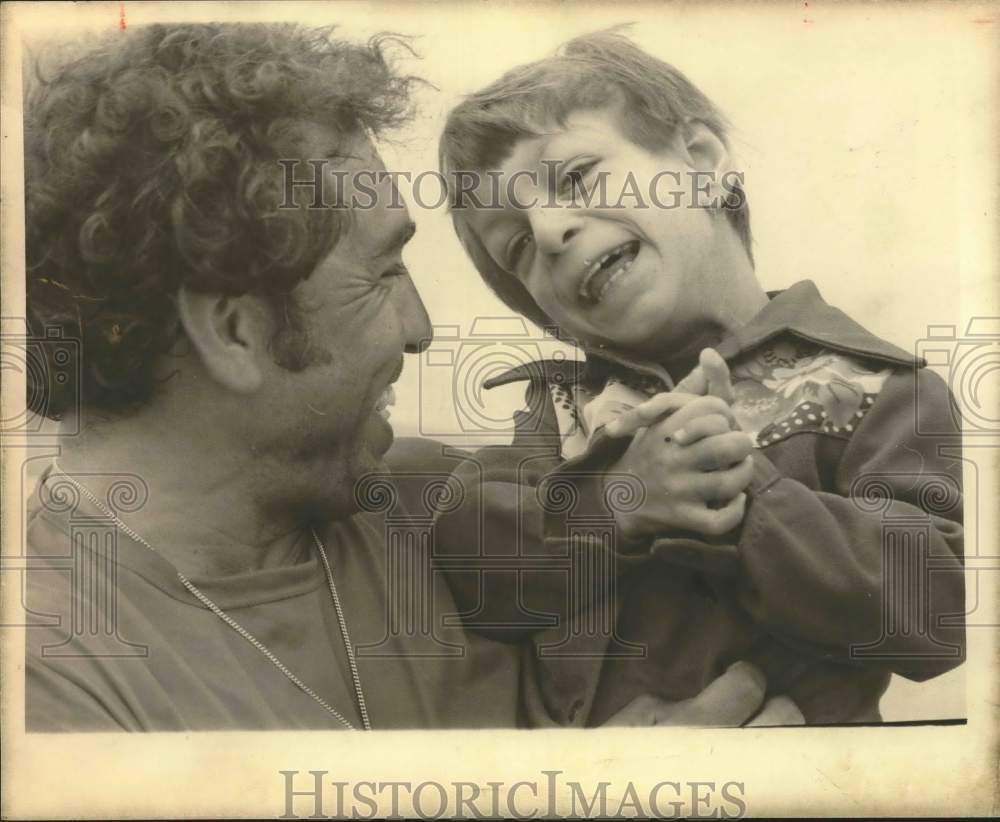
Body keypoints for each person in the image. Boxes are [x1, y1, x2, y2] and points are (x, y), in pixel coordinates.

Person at [21, 22, 796, 731]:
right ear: (233, 329)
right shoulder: (53, 684)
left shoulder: (462, 510)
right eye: (383, 272)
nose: (421, 328)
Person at [417, 29, 967, 725]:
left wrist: (738, 495)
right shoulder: (557, 411)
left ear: (701, 162)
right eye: (517, 244)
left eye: (576, 177)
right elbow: (469, 569)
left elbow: (942, 613)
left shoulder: (879, 389)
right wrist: (617, 499)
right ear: (550, 316)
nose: (551, 230)